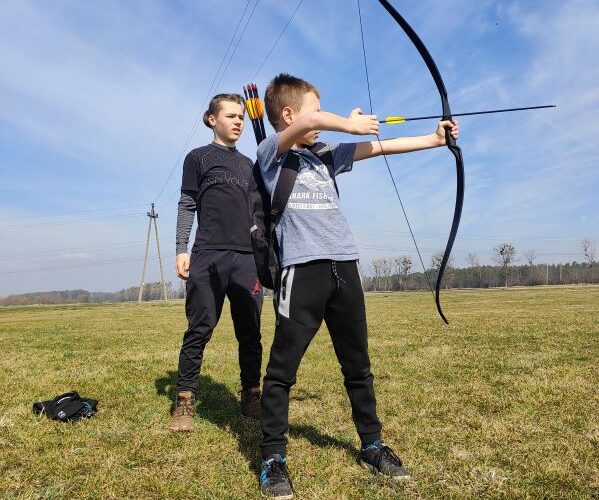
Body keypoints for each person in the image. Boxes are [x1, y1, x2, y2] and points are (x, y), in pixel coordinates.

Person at [256, 74, 459, 498]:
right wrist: (345, 123)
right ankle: (273, 458)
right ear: (290, 114)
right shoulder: (270, 154)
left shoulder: (326, 155)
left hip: (344, 269)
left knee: (358, 366)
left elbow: (380, 146)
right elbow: (301, 129)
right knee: (281, 373)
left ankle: (372, 445)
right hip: (301, 272)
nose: (321, 116)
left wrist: (435, 139)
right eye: (314, 109)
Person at [168, 94, 264, 432]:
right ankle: (183, 400)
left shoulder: (251, 164)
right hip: (208, 254)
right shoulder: (198, 158)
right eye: (230, 116)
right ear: (212, 119)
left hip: (247, 258)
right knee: (200, 328)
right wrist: (182, 247)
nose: (238, 122)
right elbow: (186, 203)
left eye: (241, 116)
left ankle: (252, 395)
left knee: (250, 331)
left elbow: (261, 212)